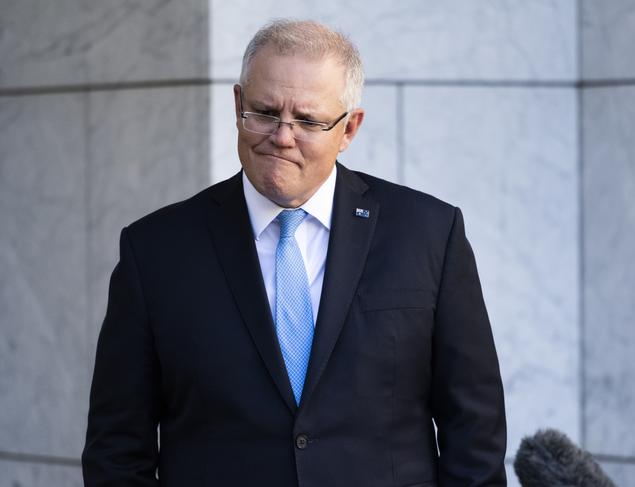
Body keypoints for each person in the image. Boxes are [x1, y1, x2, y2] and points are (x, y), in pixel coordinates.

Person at [82, 19, 507, 487]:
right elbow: (117, 451)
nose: (282, 136)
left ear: (349, 129)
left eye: (307, 120)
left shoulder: (428, 234)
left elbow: (475, 431)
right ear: (238, 104)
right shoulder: (156, 250)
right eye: (264, 112)